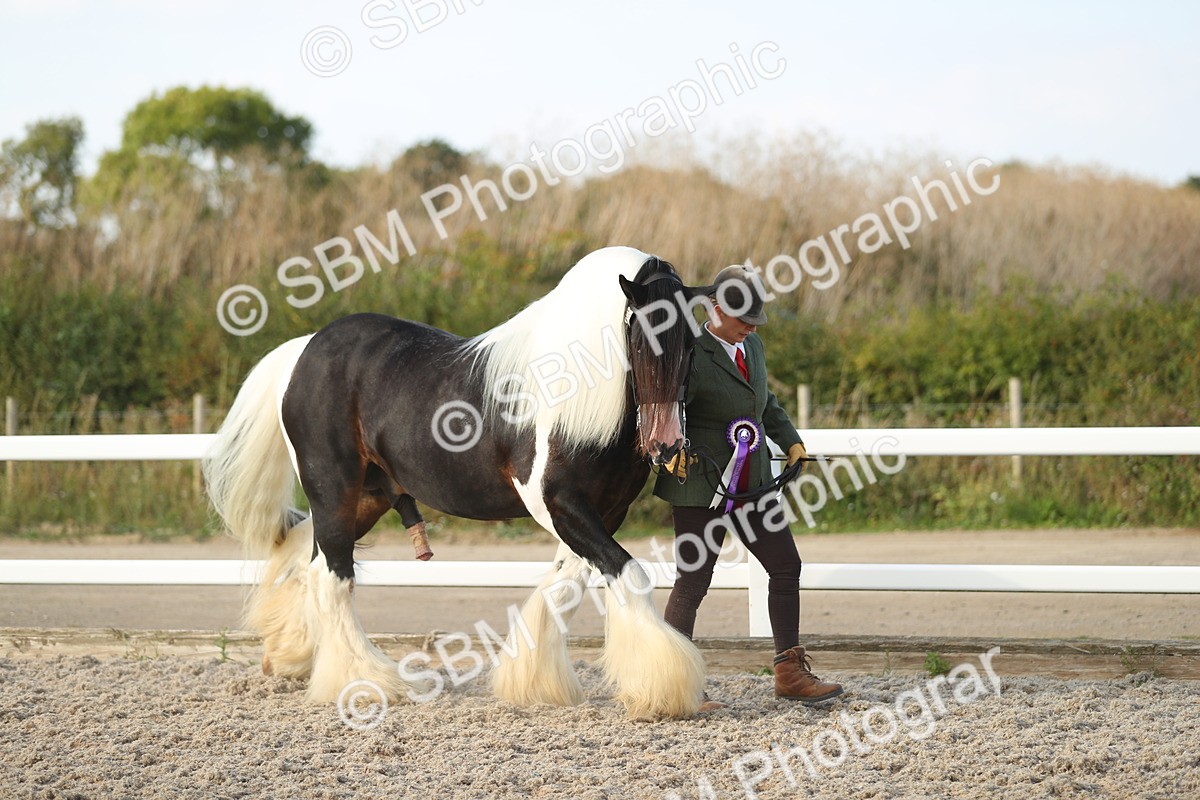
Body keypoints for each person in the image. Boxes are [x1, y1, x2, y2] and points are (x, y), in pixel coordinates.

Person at [654, 265, 844, 707]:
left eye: (755, 321)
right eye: (743, 320)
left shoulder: (752, 346)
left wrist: (791, 442)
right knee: (693, 581)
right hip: (700, 485)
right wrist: (670, 445)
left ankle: (790, 673)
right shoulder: (687, 352)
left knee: (785, 565)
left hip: (754, 481)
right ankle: (676, 685)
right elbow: (664, 406)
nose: (750, 329)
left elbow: (764, 402)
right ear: (716, 309)